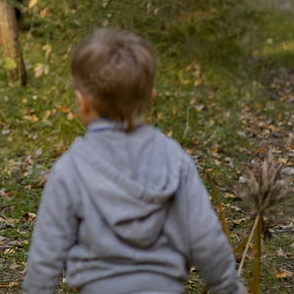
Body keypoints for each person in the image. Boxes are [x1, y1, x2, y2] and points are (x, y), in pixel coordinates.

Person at [23, 29, 245, 294]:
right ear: (150, 98)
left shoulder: (69, 170)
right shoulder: (174, 159)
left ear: (81, 102)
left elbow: (46, 256)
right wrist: (229, 288)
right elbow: (205, 238)